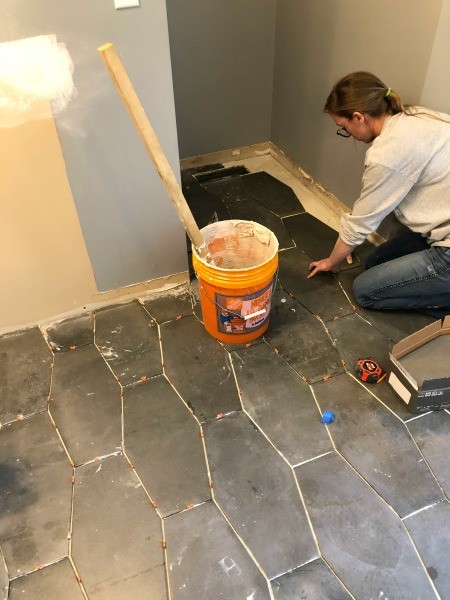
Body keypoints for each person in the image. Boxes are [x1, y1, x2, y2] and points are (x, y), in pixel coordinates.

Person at [308, 71, 450, 318]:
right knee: (374, 262)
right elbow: (371, 205)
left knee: (366, 291)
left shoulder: (388, 154)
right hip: (441, 229)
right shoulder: (416, 116)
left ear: (358, 117)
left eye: (344, 128)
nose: (348, 134)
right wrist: (349, 242)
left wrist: (332, 261)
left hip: (447, 249)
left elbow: (362, 222)